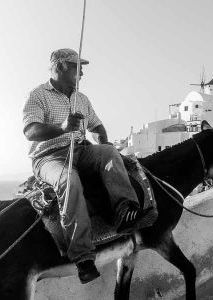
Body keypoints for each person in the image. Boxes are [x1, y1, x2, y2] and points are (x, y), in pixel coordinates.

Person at [22, 48, 158, 284]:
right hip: (49, 157)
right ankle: (83, 257)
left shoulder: (81, 99)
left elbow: (97, 126)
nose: (82, 72)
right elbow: (30, 131)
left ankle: (125, 212)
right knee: (68, 179)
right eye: (77, 66)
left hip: (81, 150)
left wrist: (105, 143)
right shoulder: (37, 94)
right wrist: (62, 127)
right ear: (60, 66)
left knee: (109, 152)